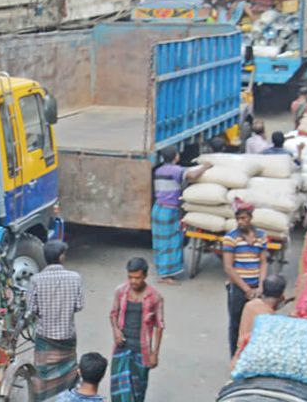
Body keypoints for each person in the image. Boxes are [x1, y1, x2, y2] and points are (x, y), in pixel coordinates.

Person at [28, 241, 85, 401]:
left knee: (42, 373)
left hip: (45, 337)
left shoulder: (36, 280)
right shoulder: (75, 278)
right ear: (61, 257)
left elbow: (32, 309)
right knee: (68, 372)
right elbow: (79, 306)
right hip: (67, 336)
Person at [150, 146, 209, 285]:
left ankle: (163, 271)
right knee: (171, 242)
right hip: (169, 211)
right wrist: (205, 167)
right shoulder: (176, 170)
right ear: (176, 156)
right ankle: (166, 276)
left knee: (160, 242)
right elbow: (193, 175)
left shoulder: (158, 170)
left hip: (158, 208)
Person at [109, 258, 164, 402]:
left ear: (145, 276)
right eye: (130, 277)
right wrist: (116, 330)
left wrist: (155, 353)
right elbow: (113, 314)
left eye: (137, 278)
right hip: (122, 348)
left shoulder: (155, 297)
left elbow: (159, 326)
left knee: (137, 393)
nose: (133, 281)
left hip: (142, 351)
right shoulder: (120, 291)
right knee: (119, 393)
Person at [221, 203, 268, 358]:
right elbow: (229, 267)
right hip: (238, 288)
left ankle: (250, 356)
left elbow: (263, 262)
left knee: (256, 324)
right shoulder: (230, 238)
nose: (241, 222)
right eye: (238, 219)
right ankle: (234, 357)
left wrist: (261, 286)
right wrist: (246, 289)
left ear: (250, 218)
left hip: (256, 286)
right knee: (236, 324)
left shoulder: (261, 236)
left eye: (244, 218)